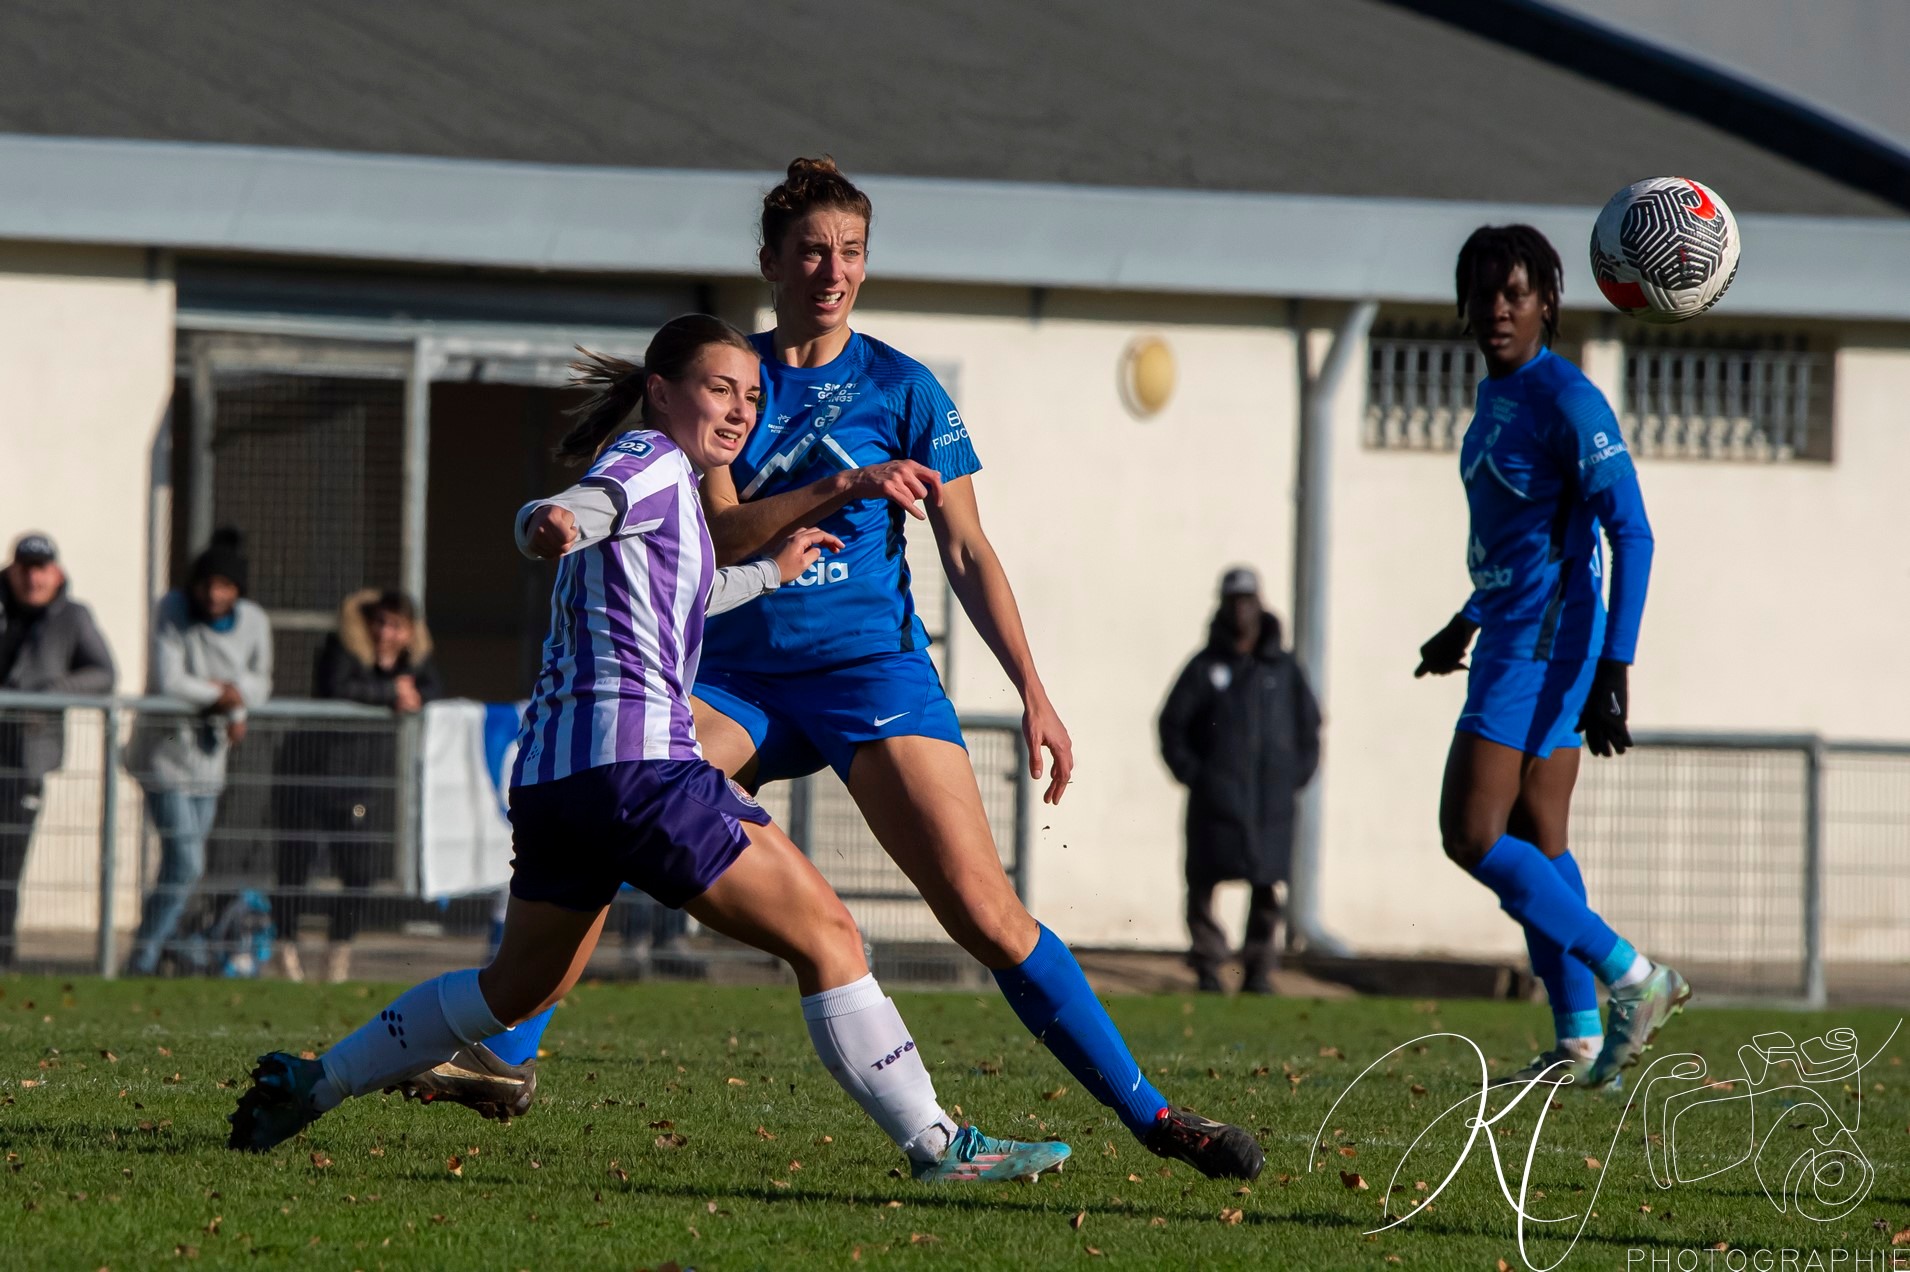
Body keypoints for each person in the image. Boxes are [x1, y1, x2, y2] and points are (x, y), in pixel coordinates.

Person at [430, 159, 1264, 1180]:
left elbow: (966, 550)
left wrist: (1034, 695)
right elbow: (727, 532)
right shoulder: (734, 379)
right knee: (622, 793)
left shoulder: (902, 387)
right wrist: (844, 483)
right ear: (771, 262)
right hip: (734, 673)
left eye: (852, 253)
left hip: (870, 674)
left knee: (984, 914)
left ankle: (1153, 1117)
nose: (834, 270)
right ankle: (505, 1050)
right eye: (814, 252)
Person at [229, 314, 1070, 1185]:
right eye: (720, 390)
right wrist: (548, 521)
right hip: (641, 769)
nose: (741, 411)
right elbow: (579, 509)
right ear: (662, 393)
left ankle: (315, 1083)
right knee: (828, 936)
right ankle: (937, 1147)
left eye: (750, 395)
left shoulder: (676, 490)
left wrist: (772, 571)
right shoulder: (654, 460)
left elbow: (690, 590)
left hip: (557, 780)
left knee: (512, 989)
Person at [1415, 225, 1685, 1090]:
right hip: (1508, 628)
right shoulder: (1498, 397)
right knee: (1537, 836)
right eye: (1486, 292)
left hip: (1547, 642)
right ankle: (1576, 1036)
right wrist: (1464, 619)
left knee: (1470, 831)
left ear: (1547, 305)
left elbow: (1632, 533)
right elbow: (1519, 536)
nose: (1499, 308)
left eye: (1517, 293)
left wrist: (1615, 667)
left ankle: (1635, 977)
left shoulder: (1569, 401)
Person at [1158, 567, 1320, 996]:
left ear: (1259, 602)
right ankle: (1209, 964)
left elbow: (1310, 728)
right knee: (1203, 884)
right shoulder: (1204, 666)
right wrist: (1196, 776)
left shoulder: (1284, 670)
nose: (1240, 608)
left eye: (1247, 599)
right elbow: (1172, 725)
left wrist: (1292, 778)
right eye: (1233, 600)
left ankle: (1259, 970)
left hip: (1272, 805)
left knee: (1267, 887)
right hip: (1216, 802)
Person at [272, 589, 445, 983]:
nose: (385, 632)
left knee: (359, 873)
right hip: (309, 775)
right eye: (379, 622)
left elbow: (433, 689)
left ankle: (338, 953)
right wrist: (390, 694)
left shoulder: (412, 662)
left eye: (395, 625)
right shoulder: (341, 648)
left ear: (409, 632)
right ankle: (286, 951)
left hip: (359, 784)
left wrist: (412, 694)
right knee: (295, 870)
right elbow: (336, 687)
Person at [126, 528, 273, 976]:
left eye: (224, 586)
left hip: (210, 764)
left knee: (182, 867)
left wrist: (236, 696)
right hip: (164, 754)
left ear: (238, 590)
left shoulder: (253, 621)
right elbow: (170, 681)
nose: (214, 594)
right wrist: (223, 697)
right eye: (207, 584)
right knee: (187, 863)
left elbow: (260, 681)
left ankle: (162, 950)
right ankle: (143, 957)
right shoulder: (172, 610)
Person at [0, 532, 115, 967]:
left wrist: (50, 693)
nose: (33, 578)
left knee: (8, 862)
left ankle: (3, 956)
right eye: (25, 568)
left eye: (41, 568)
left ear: (56, 572)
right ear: (12, 571)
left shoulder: (72, 617)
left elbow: (103, 673)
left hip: (27, 759)